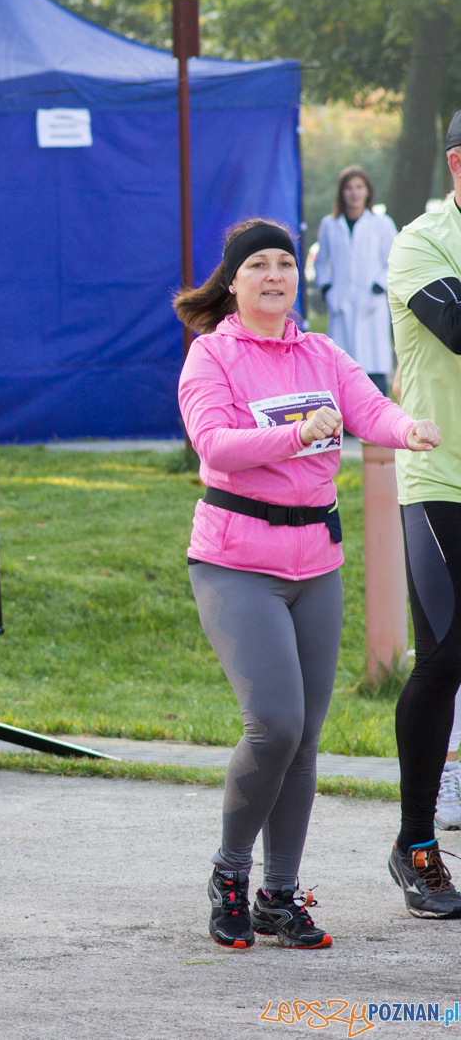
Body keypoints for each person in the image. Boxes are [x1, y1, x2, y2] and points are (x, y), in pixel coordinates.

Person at [176, 218, 438, 950]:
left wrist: (405, 426)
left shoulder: (321, 352)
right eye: (257, 264)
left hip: (315, 562)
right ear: (233, 281)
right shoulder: (212, 358)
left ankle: (279, 894)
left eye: (285, 264)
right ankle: (230, 872)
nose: (273, 275)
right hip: (235, 561)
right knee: (276, 724)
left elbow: (366, 407)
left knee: (306, 738)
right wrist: (294, 434)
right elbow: (215, 445)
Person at [384, 109, 461, 919]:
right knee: (444, 658)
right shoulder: (420, 241)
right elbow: (458, 326)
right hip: (440, 476)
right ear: (456, 164)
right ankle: (415, 843)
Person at [315, 166, 397, 394]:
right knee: (342, 365)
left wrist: (378, 287)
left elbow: (394, 259)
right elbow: (320, 263)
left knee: (373, 362)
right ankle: (347, 421)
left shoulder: (382, 224)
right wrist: (327, 290)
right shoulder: (329, 225)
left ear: (368, 192)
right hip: (341, 304)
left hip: (371, 303)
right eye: (348, 188)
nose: (354, 193)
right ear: (341, 193)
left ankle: (377, 421)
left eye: (359, 187)